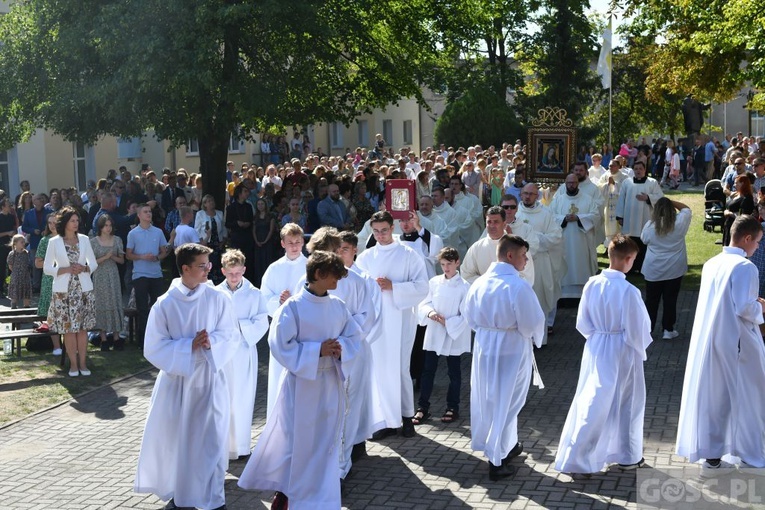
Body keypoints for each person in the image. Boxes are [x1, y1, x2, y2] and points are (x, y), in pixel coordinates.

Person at [238, 251, 362, 510]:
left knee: (326, 440)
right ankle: (290, 492)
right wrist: (317, 350)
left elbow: (354, 337)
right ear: (318, 274)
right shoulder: (292, 307)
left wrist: (340, 348)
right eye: (333, 277)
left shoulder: (338, 306)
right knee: (297, 440)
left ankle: (323, 497)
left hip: (329, 382)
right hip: (301, 384)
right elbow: (280, 345)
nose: (337, 282)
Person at [134, 243, 238, 510]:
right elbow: (153, 346)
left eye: (209, 265)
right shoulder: (165, 304)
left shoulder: (218, 299)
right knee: (179, 443)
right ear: (185, 268)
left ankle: (214, 500)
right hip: (177, 382)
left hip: (209, 380)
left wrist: (210, 343)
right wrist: (187, 346)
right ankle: (182, 497)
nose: (208, 270)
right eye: (202, 266)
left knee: (212, 442)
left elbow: (230, 335)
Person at [554, 234, 653, 477]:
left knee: (593, 398)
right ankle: (625, 455)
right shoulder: (629, 291)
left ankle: (596, 452)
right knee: (627, 402)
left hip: (597, 345)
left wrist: (598, 339)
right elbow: (639, 328)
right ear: (629, 259)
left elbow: (582, 323)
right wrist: (638, 348)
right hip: (623, 348)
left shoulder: (592, 284)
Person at [676, 215, 765, 475]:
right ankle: (751, 456)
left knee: (715, 398)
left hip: (712, 339)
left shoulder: (713, 263)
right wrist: (761, 307)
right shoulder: (745, 267)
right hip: (737, 343)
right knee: (750, 397)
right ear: (747, 239)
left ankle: (713, 456)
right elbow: (744, 308)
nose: (758, 247)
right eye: (758, 242)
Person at [464, 235, 545, 481]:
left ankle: (507, 445)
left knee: (490, 399)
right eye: (523, 255)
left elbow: (469, 316)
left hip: (485, 345)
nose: (526, 261)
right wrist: (529, 336)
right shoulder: (518, 286)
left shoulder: (479, 283)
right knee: (507, 402)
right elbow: (532, 321)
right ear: (509, 256)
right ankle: (496, 459)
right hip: (511, 346)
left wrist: (488, 332)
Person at [356, 211, 429, 440]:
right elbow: (357, 287)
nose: (380, 235)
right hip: (375, 322)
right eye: (376, 231)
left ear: (393, 227)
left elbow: (422, 286)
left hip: (400, 319)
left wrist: (394, 287)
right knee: (378, 370)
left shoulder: (408, 254)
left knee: (399, 369)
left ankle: (407, 417)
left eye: (384, 230)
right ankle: (384, 420)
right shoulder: (366, 257)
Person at [217, 249, 269, 460]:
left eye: (238, 273)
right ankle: (223, 446)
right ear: (223, 271)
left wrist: (240, 326)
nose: (234, 277)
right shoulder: (216, 293)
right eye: (230, 273)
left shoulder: (254, 293)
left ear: (244, 270)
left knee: (243, 398)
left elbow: (262, 321)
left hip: (244, 351)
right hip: (222, 354)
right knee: (223, 399)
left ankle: (241, 446)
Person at [414, 247, 471, 426]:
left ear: (457, 262)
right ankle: (423, 407)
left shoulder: (464, 286)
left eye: (449, 264)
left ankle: (452, 407)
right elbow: (424, 302)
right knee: (428, 370)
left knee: (454, 372)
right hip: (435, 331)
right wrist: (430, 313)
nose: (446, 268)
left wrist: (448, 323)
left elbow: (466, 312)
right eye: (443, 264)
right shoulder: (434, 282)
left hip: (453, 332)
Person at [43, 207, 98, 377]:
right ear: (65, 222)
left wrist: (84, 268)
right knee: (69, 329)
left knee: (82, 329)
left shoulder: (84, 239)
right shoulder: (54, 242)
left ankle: (83, 363)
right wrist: (65, 269)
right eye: (73, 220)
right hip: (63, 292)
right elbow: (46, 268)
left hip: (83, 290)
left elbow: (94, 264)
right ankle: (73, 365)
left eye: (77, 220)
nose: (76, 223)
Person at [261, 222, 307, 417]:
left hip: (304, 328)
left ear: (303, 242)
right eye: (290, 242)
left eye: (297, 242)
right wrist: (278, 301)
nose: (294, 246)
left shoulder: (310, 266)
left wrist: (294, 302)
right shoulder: (274, 268)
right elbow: (264, 297)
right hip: (281, 328)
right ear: (282, 244)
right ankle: (277, 418)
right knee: (279, 374)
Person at [515, 183, 564, 341]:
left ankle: (539, 338)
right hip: (517, 265)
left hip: (539, 262)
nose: (528, 196)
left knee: (538, 298)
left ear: (537, 196)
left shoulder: (545, 213)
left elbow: (556, 236)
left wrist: (534, 239)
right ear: (521, 194)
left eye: (531, 194)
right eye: (525, 193)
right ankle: (521, 337)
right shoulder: (514, 213)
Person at [640, 198, 692, 339]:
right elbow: (686, 209)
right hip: (674, 268)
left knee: (651, 300)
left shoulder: (650, 226)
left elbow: (644, 240)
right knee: (670, 299)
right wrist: (671, 201)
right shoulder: (679, 223)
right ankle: (668, 329)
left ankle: (648, 329)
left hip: (653, 269)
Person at [549, 173, 600, 299]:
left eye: (574, 182)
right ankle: (563, 295)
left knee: (581, 265)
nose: (571, 185)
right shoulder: (558, 200)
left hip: (582, 242)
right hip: (563, 241)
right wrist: (564, 219)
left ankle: (582, 295)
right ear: (565, 184)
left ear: (578, 183)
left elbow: (595, 216)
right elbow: (550, 217)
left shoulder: (588, 199)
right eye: (569, 183)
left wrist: (579, 218)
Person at [126, 204, 169, 347]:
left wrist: (157, 258)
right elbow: (129, 254)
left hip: (156, 274)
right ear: (139, 215)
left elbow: (164, 251)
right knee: (142, 308)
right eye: (145, 212)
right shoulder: (133, 233)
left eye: (150, 211)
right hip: (140, 275)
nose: (148, 214)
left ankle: (158, 338)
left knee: (157, 308)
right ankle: (143, 340)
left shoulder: (158, 232)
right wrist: (142, 257)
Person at [615, 161, 663, 273]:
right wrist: (620, 216)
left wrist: (648, 198)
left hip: (646, 218)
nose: (638, 171)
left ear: (644, 170)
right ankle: (630, 267)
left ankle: (643, 268)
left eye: (640, 168)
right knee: (630, 244)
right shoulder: (627, 182)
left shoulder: (652, 182)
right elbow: (621, 199)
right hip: (629, 219)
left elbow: (660, 198)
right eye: (636, 169)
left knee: (644, 243)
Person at [90, 215, 125, 351]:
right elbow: (91, 263)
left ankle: (116, 337)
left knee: (114, 301)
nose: (108, 228)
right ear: (100, 227)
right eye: (106, 226)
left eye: (110, 225)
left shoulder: (117, 240)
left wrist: (113, 257)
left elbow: (122, 260)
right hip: (100, 275)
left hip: (113, 274)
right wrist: (105, 257)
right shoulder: (93, 242)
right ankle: (103, 338)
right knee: (101, 302)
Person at [35, 214, 62, 355]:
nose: (52, 225)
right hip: (49, 280)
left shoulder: (66, 239)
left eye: (55, 222)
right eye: (50, 223)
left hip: (65, 278)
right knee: (51, 314)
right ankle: (56, 346)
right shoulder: (45, 240)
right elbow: (37, 263)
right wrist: (52, 262)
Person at [195, 194, 227, 285]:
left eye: (212, 201)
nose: (211, 203)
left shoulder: (219, 213)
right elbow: (197, 230)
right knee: (208, 266)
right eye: (208, 201)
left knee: (219, 265)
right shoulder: (200, 214)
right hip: (206, 243)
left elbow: (223, 228)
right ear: (204, 204)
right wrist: (202, 241)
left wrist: (223, 241)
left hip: (218, 243)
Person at [722, 174, 755, 247]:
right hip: (728, 225)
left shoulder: (747, 199)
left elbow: (744, 217)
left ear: (743, 184)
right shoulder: (735, 195)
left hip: (737, 229)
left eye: (736, 183)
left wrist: (730, 213)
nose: (734, 185)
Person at [7, 234, 31, 308]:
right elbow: (10, 265)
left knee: (26, 289)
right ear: (15, 243)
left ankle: (26, 305)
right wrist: (16, 271)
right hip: (16, 275)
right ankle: (14, 304)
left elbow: (28, 263)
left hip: (25, 275)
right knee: (15, 289)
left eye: (24, 242)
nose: (23, 244)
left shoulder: (26, 253)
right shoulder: (12, 254)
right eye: (21, 242)